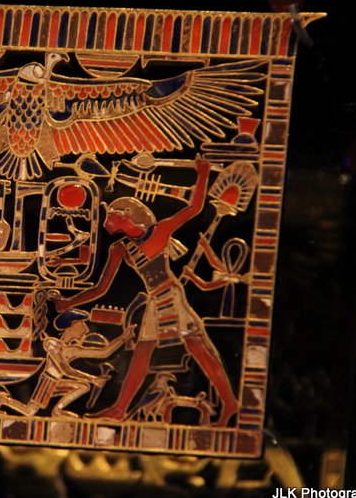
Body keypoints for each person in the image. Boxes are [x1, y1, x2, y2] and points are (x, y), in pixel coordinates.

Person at [54, 158, 239, 426]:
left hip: (170, 296)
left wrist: (203, 173)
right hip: (156, 299)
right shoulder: (120, 249)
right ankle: (121, 410)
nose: (107, 221)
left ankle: (229, 403)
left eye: (112, 214)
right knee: (158, 351)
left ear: (127, 215)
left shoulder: (159, 231)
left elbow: (195, 208)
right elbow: (102, 288)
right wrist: (70, 301)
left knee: (194, 348)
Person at [0, 309, 126, 418]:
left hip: (56, 383)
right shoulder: (52, 344)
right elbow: (64, 369)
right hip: (47, 382)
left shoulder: (73, 350)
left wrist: (123, 338)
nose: (85, 329)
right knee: (30, 411)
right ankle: (0, 399)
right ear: (71, 326)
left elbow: (103, 353)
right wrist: (92, 379)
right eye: (81, 323)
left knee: (83, 386)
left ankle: (57, 410)